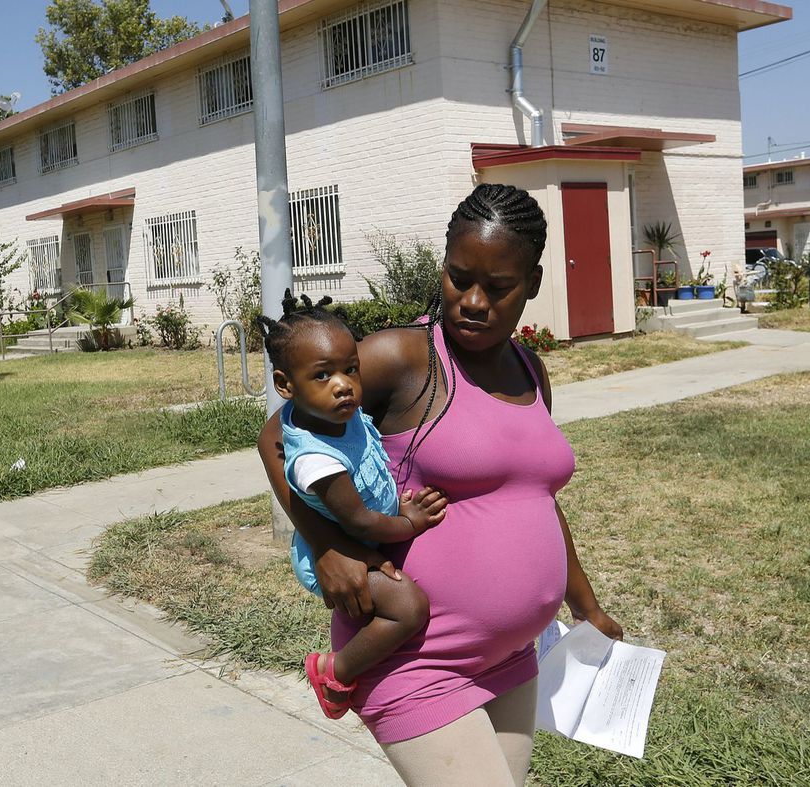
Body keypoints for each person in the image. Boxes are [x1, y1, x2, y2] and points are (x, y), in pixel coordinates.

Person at [257, 183, 622, 787]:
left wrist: (585, 606)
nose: (472, 301)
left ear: (532, 283)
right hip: (413, 657)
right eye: (458, 278)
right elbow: (278, 434)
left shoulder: (531, 369)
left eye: (498, 287)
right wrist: (325, 544)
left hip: (511, 659)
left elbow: (535, 496)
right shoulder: (403, 356)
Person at [255, 291, 448, 721]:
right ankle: (334, 670)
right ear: (286, 385)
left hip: (368, 526)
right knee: (408, 608)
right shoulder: (315, 460)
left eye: (350, 370)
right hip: (341, 548)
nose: (343, 384)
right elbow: (359, 519)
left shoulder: (338, 415)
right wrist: (410, 521)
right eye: (323, 375)